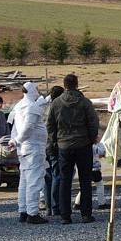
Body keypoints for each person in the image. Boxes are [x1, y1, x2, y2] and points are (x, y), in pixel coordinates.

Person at [46, 74, 99, 225]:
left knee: (65, 180)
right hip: (83, 144)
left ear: (65, 85)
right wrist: (91, 138)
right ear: (77, 84)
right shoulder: (84, 102)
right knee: (85, 180)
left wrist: (54, 140)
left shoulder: (56, 103)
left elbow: (50, 124)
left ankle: (65, 215)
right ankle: (86, 214)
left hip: (64, 146)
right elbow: (93, 122)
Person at [10, 82, 49, 224]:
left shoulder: (18, 106)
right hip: (33, 148)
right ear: (32, 90)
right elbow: (28, 127)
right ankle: (33, 213)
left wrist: (15, 141)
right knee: (34, 181)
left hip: (24, 149)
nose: (38, 92)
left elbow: (15, 128)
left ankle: (23, 210)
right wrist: (16, 141)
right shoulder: (31, 107)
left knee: (24, 181)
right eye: (37, 89)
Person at [43, 85, 65, 217]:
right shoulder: (58, 108)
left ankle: (48, 207)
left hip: (43, 145)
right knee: (57, 175)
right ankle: (56, 206)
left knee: (48, 178)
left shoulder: (43, 107)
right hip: (54, 145)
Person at [74, 142, 107, 210]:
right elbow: (102, 153)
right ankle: (102, 203)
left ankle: (77, 203)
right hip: (94, 169)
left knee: (84, 187)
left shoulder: (83, 145)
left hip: (85, 168)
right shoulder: (94, 146)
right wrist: (100, 145)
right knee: (99, 185)